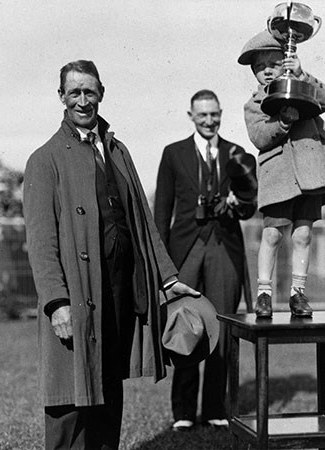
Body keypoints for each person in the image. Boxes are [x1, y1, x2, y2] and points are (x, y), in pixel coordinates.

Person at [23, 60, 199, 450]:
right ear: (61, 97)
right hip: (76, 295)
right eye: (74, 92)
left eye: (90, 91)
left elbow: (143, 222)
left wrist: (168, 278)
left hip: (118, 291)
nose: (83, 101)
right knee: (69, 397)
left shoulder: (118, 151)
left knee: (108, 387)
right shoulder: (45, 159)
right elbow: (40, 242)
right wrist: (57, 303)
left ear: (101, 93)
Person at [238, 31, 325, 318]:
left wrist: (302, 74)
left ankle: (298, 293)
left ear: (286, 61)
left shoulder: (302, 86)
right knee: (271, 235)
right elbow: (259, 137)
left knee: (303, 234)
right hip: (278, 177)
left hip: (310, 174)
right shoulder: (254, 104)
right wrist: (282, 122)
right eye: (260, 66)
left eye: (274, 63)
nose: (267, 70)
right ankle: (264, 294)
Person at [154, 89, 256, 431]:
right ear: (191, 116)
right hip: (185, 250)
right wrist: (162, 264)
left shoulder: (236, 153)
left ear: (221, 114)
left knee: (222, 328)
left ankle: (215, 407)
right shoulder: (173, 153)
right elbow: (162, 211)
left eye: (214, 115)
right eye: (202, 115)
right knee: (183, 324)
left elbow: (249, 206)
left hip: (224, 248)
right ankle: (183, 412)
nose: (209, 121)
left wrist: (238, 202)